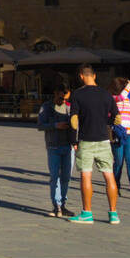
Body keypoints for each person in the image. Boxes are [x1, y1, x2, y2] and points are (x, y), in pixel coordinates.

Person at [68, 65, 119, 224]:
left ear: (81, 76)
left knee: (86, 175)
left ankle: (87, 214)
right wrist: (107, 121)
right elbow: (116, 117)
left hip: (86, 140)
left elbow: (74, 120)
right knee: (109, 176)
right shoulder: (106, 94)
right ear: (94, 76)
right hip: (104, 139)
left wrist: (73, 141)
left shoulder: (77, 94)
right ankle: (113, 214)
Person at [38, 86, 76, 217]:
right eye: (61, 97)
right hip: (53, 146)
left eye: (65, 98)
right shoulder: (47, 107)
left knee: (66, 177)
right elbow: (40, 125)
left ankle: (63, 204)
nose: (63, 100)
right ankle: (57, 205)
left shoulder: (70, 107)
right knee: (55, 176)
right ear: (55, 94)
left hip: (69, 146)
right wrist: (55, 126)